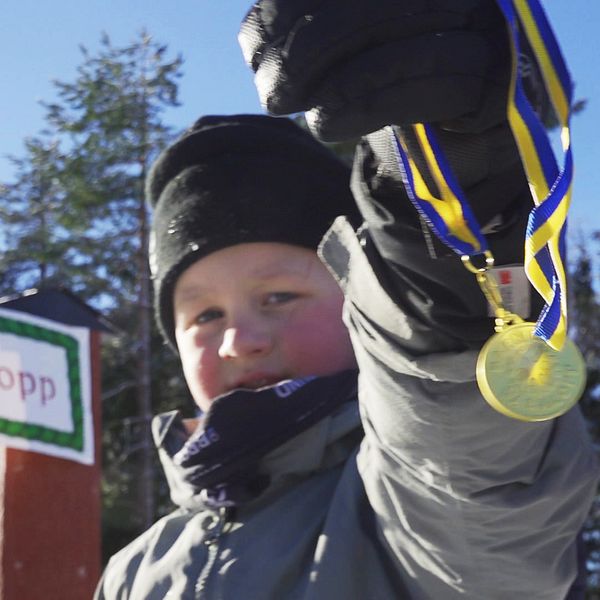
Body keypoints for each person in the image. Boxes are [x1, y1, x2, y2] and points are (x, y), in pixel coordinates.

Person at [96, 1, 599, 598]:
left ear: (359, 298)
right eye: (204, 314)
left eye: (279, 295)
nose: (239, 339)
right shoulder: (134, 571)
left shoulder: (403, 501)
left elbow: (467, 459)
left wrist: (447, 201)